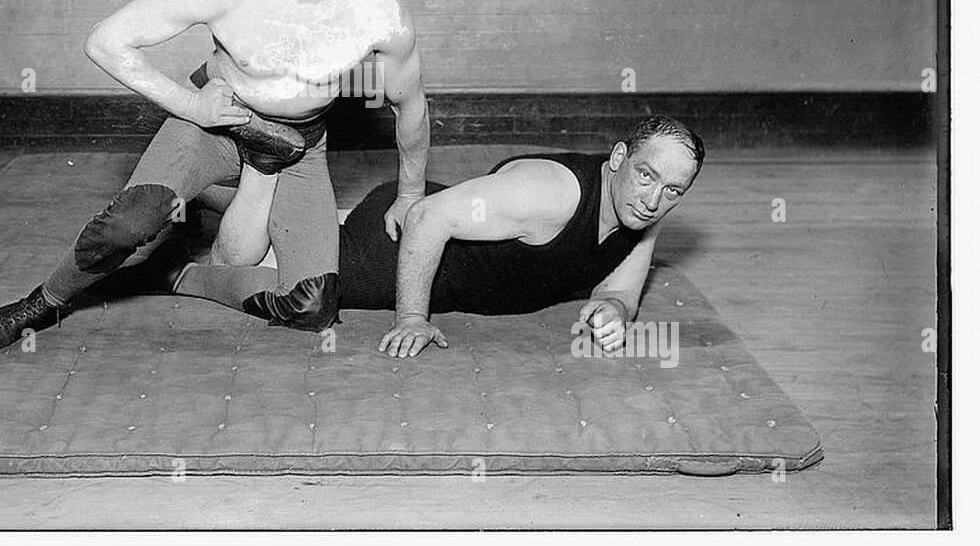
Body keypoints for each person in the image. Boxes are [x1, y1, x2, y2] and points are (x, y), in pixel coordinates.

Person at [0, 0, 431, 350]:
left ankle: (174, 273)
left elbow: (411, 107)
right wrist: (191, 105)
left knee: (311, 307)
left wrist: (409, 194)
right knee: (131, 223)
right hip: (218, 121)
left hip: (297, 144)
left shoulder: (379, 12)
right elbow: (106, 42)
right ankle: (43, 302)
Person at [163, 116, 705, 358]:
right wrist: (412, 319)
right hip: (409, 252)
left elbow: (621, 288)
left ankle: (210, 198)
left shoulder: (643, 212)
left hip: (444, 240)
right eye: (647, 176)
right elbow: (426, 220)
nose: (654, 199)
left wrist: (613, 310)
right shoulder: (550, 194)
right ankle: (190, 249)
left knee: (302, 237)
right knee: (270, 274)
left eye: (673, 191)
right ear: (618, 160)